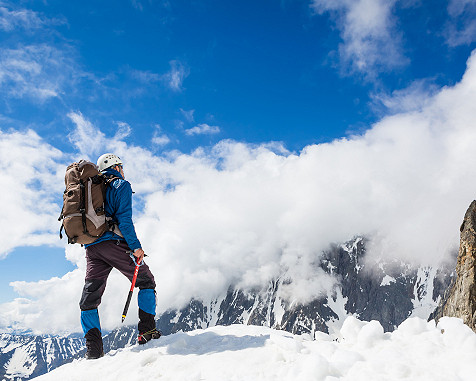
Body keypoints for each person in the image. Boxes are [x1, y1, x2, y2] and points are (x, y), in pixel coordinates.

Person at [79, 153, 160, 360]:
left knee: (90, 298)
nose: (123, 170)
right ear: (116, 167)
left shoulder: (89, 186)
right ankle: (147, 331)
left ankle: (94, 350)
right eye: (121, 166)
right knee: (146, 281)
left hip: (92, 248)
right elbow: (124, 220)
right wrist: (136, 247)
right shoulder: (120, 185)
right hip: (114, 244)